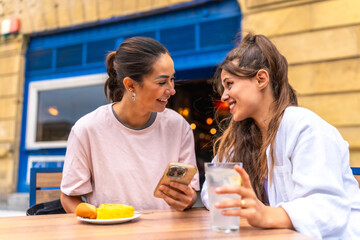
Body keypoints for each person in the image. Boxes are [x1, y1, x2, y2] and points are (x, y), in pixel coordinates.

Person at [201, 33, 360, 239]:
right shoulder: (241, 138)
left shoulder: (306, 128)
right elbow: (210, 191)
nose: (223, 96)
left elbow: (326, 207)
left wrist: (265, 214)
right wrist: (240, 201)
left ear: (261, 79)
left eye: (229, 84)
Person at [60, 37, 199, 212]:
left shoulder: (178, 126)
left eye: (172, 79)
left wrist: (188, 199)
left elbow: (191, 192)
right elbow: (69, 197)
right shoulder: (87, 129)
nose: (172, 90)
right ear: (131, 85)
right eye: (162, 82)